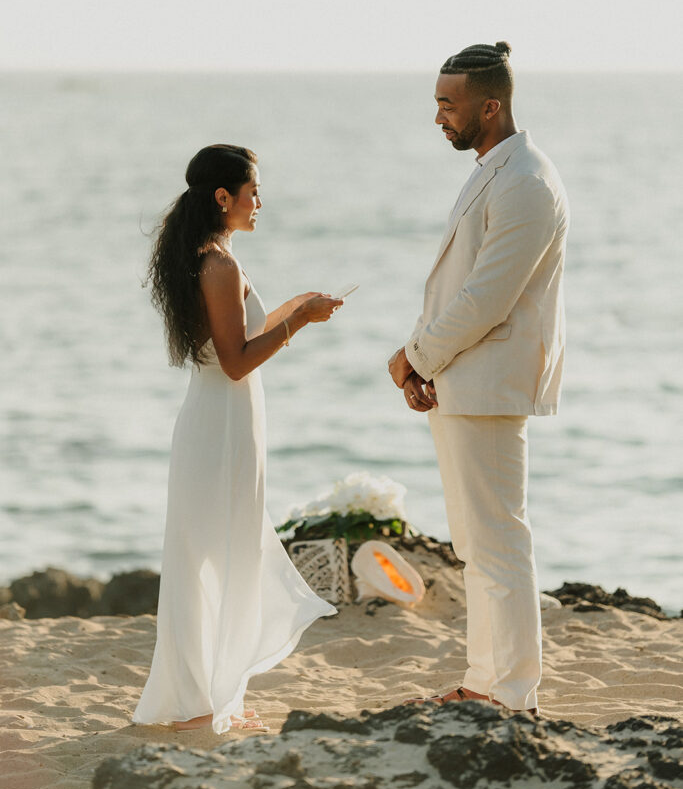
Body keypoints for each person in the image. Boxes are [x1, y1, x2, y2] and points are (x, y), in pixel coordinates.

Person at [132, 143, 342, 734]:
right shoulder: (218, 265)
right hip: (220, 426)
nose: (260, 203)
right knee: (219, 556)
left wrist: (294, 308)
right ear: (223, 197)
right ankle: (206, 695)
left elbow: (237, 340)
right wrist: (296, 324)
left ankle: (213, 690)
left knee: (220, 554)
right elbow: (234, 361)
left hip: (220, 422)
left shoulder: (211, 257)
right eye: (253, 192)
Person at [389, 42, 569, 715]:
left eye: (448, 104)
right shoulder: (492, 169)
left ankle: (512, 692)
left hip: (489, 383)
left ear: (489, 105)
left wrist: (414, 356)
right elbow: (460, 287)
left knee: (499, 542)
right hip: (462, 381)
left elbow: (487, 299)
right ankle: (482, 681)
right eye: (437, 102)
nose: (438, 115)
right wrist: (419, 361)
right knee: (476, 544)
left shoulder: (525, 179)